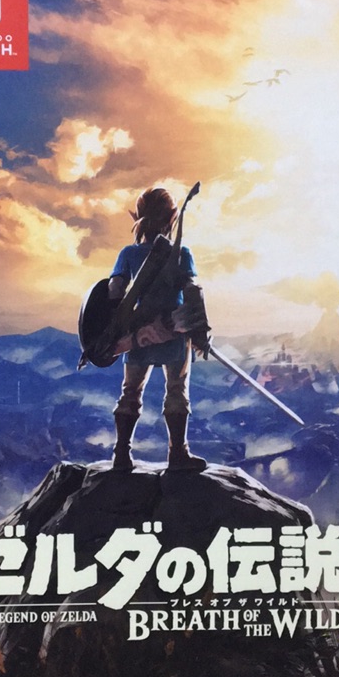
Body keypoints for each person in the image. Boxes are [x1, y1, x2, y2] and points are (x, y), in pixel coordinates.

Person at [108, 187, 208, 472]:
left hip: (138, 334)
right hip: (174, 331)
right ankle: (178, 454)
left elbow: (115, 289)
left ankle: (121, 454)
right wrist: (199, 330)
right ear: (171, 218)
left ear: (138, 218)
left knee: (130, 392)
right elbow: (192, 289)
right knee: (176, 391)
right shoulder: (182, 253)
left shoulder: (129, 253)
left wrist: (117, 324)